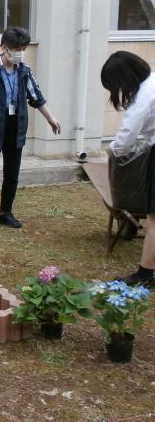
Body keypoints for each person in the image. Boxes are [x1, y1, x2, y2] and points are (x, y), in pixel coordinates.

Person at [0, 26, 61, 232]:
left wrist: (51, 118)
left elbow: (36, 97)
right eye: (16, 49)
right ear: (4, 47)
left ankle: (5, 212)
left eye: (23, 49)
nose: (20, 53)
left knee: (12, 174)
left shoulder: (25, 71)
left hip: (15, 127)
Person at [102, 50, 155, 288]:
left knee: (154, 220)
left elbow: (126, 137)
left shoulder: (144, 97)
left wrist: (112, 151)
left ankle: (145, 275)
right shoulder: (153, 81)